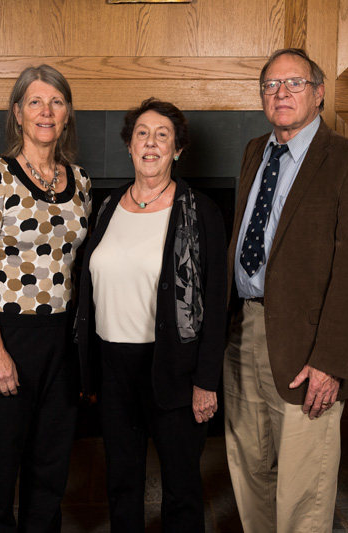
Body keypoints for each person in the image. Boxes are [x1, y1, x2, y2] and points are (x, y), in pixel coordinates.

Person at [223, 48, 348, 532]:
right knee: (247, 465)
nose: (282, 94)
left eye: (294, 83)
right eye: (271, 86)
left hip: (308, 345)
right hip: (244, 330)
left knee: (303, 482)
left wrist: (331, 361)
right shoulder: (256, 150)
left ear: (318, 93)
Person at [76, 97, 227, 532]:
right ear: (129, 146)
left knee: (181, 487)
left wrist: (205, 381)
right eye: (142, 133)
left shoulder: (200, 212)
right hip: (113, 365)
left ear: (177, 150)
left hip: (174, 368)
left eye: (163, 135)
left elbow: (217, 304)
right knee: (121, 482)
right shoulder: (106, 207)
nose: (151, 143)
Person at [0, 64, 91, 532]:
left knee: (50, 469)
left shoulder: (80, 182)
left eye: (56, 101)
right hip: (6, 335)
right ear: (17, 113)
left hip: (62, 341)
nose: (46, 111)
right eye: (35, 101)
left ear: (68, 113)